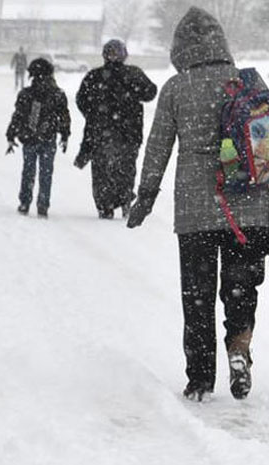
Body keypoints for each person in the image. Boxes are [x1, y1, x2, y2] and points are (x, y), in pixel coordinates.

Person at [128, 7, 269, 402]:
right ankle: (239, 349)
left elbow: (157, 148)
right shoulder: (247, 83)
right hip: (252, 209)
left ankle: (200, 379)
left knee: (198, 295)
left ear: (180, 48)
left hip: (196, 211)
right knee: (241, 288)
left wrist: (145, 197)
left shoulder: (176, 87)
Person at [75, 39, 157, 219]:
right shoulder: (133, 74)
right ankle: (124, 198)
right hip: (129, 132)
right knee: (125, 169)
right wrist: (133, 93)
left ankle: (106, 205)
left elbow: (81, 100)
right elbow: (150, 92)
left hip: (101, 133)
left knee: (102, 171)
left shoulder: (94, 76)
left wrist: (94, 114)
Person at [5, 58, 70, 219]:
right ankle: (43, 205)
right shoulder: (57, 94)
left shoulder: (26, 94)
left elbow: (18, 116)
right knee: (46, 173)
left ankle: (25, 202)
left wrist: (11, 134)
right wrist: (65, 134)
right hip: (49, 138)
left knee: (28, 171)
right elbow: (64, 116)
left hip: (29, 138)